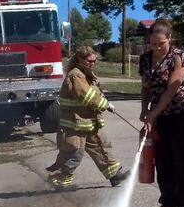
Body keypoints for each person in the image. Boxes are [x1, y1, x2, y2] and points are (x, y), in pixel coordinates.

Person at [139, 17, 184, 207]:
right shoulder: (145, 59)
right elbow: (145, 87)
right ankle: (168, 206)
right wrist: (144, 110)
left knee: (182, 162)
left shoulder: (180, 56)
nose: (157, 48)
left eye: (161, 43)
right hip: (158, 119)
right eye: (153, 44)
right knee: (163, 163)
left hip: (180, 115)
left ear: (170, 39)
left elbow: (173, 87)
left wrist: (153, 113)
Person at [46, 45, 130, 189]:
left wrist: (103, 101)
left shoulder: (86, 74)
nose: (92, 63)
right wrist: (105, 104)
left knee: (101, 146)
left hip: (88, 122)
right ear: (79, 59)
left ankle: (114, 175)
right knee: (74, 153)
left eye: (94, 61)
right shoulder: (76, 75)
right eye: (89, 61)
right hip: (74, 124)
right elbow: (88, 96)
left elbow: (95, 92)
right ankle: (58, 180)